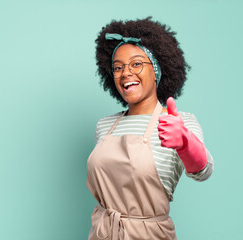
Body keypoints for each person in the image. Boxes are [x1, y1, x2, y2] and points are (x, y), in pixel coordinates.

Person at [86, 17, 214, 240]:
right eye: (118, 67)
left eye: (136, 64)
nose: (126, 73)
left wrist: (185, 143)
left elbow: (204, 171)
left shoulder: (179, 121)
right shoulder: (104, 125)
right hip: (103, 233)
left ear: (157, 69)